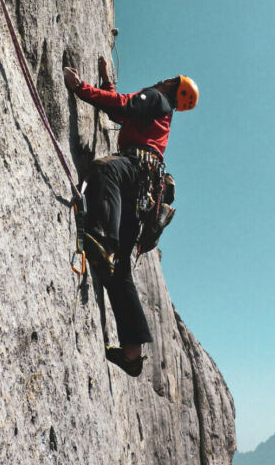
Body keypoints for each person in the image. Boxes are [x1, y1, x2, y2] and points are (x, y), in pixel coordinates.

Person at [63, 56, 198, 376]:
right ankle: (132, 355)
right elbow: (120, 111)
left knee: (105, 169)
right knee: (120, 273)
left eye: (169, 79)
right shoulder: (159, 112)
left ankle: (104, 242)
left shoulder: (158, 98)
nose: (163, 80)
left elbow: (123, 105)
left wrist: (81, 88)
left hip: (133, 171)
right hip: (143, 190)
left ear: (172, 87)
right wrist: (106, 81)